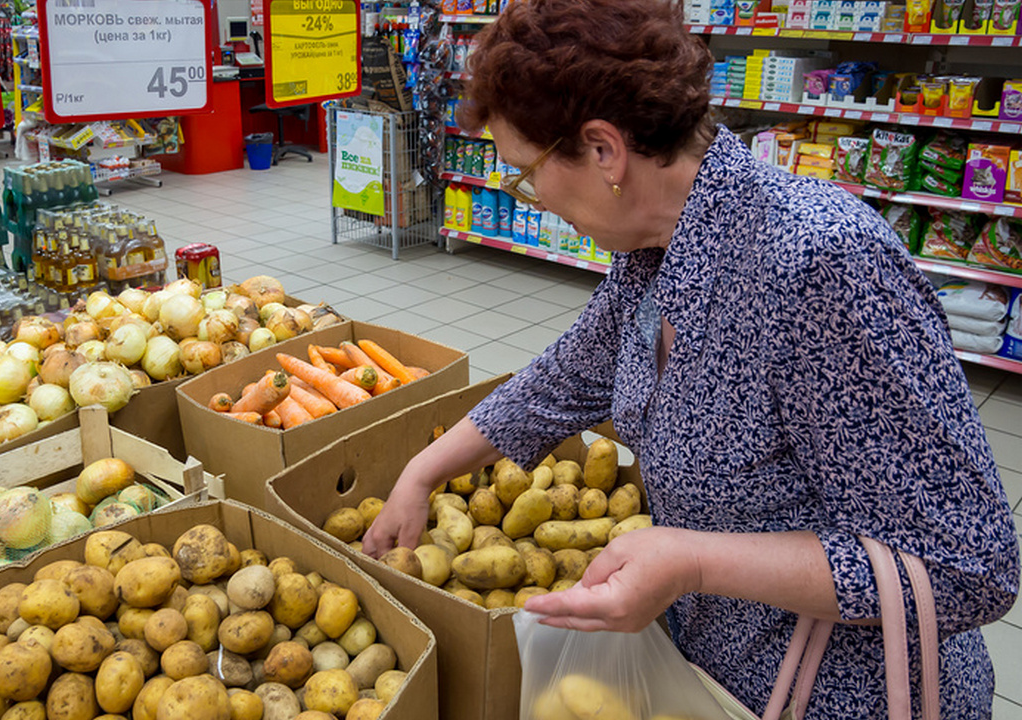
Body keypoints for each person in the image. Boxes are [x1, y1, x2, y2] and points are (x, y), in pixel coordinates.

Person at [360, 0, 1020, 716]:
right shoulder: (655, 253)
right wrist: (423, 473)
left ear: (605, 150)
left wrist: (692, 560)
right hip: (714, 666)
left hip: (834, 692)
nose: (532, 197)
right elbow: (562, 380)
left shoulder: (820, 264)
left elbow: (967, 566)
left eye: (527, 172)